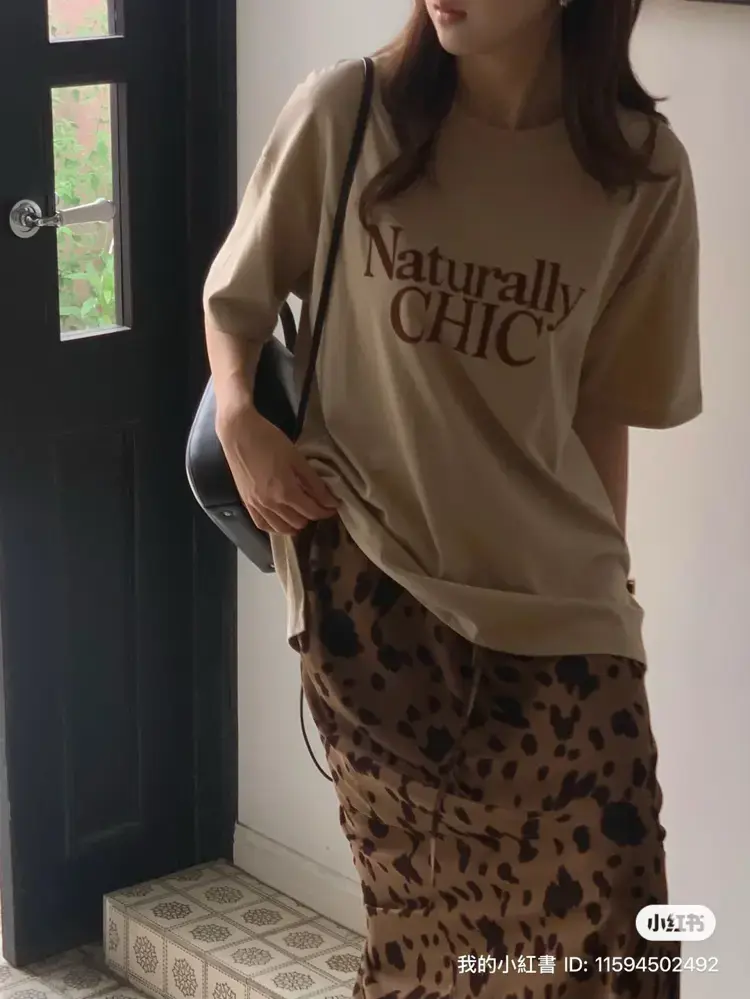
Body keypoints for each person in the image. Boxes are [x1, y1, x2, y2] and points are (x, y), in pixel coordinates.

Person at [202, 0, 700, 995]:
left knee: (618, 953)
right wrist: (239, 419)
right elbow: (238, 302)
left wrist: (613, 595)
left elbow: (603, 413)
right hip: (376, 603)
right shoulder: (347, 114)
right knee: (430, 956)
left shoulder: (642, 171)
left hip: (562, 616)